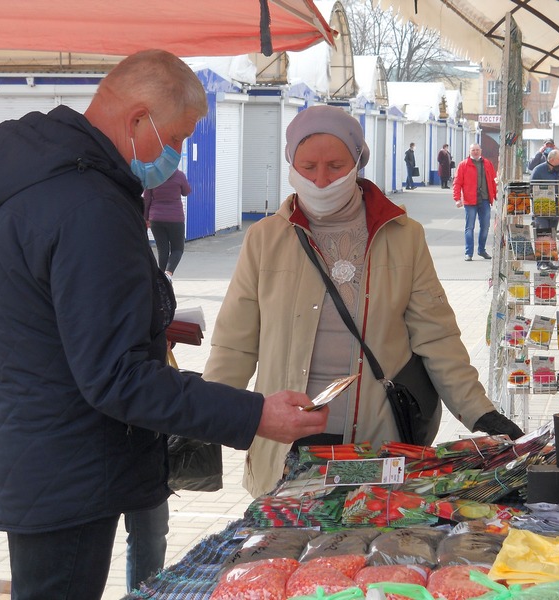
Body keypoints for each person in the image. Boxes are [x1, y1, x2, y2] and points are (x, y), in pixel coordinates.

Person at [0, 49, 328, 600]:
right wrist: (254, 414)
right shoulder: (88, 204)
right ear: (137, 121)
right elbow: (117, 376)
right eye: (175, 138)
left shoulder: (28, 180)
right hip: (70, 469)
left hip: (28, 448)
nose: (176, 159)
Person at [202, 105, 524, 498]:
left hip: (376, 444)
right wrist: (203, 418)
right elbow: (234, 343)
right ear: (290, 164)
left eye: (335, 165)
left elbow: (437, 339)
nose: (321, 179)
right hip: (287, 445)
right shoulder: (265, 238)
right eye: (308, 166)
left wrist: (480, 412)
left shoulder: (404, 236)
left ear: (358, 161)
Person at [143, 168, 190, 281]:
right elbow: (186, 191)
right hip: (175, 218)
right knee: (178, 249)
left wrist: (145, 218)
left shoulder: (152, 176)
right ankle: (168, 274)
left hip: (156, 218)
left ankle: (162, 281)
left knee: (162, 249)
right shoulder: (179, 175)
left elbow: (146, 199)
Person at [452, 143, 496, 261]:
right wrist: (457, 199)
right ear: (469, 151)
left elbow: (493, 181)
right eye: (473, 150)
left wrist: (496, 196)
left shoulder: (487, 164)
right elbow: (457, 183)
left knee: (485, 226)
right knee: (469, 227)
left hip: (485, 200)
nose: (475, 152)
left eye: (477, 150)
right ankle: (469, 253)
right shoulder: (463, 165)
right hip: (470, 201)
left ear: (481, 151)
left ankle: (481, 250)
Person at [530, 149, 559, 270]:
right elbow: (531, 189)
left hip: (556, 209)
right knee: (543, 234)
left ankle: (548, 262)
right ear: (552, 160)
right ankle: (541, 263)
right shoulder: (538, 170)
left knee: (551, 234)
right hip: (541, 209)